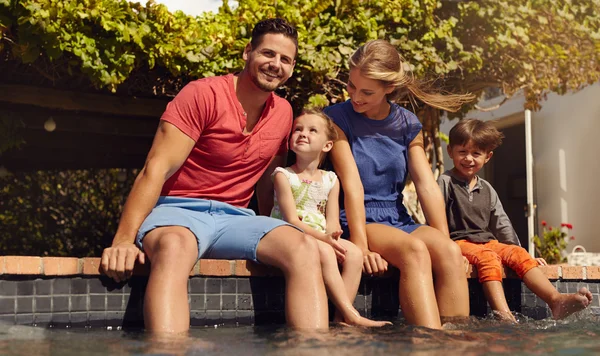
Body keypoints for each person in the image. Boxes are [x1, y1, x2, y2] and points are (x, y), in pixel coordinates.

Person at [100, 18, 330, 333]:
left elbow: (265, 181)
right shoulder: (202, 94)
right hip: (177, 211)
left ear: (291, 68)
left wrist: (274, 230)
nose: (276, 64)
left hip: (236, 218)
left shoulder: (284, 113)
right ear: (248, 52)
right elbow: (156, 168)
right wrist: (124, 240)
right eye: (268, 54)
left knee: (303, 248)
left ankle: (313, 351)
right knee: (174, 248)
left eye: (285, 59)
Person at [324, 39, 472, 329]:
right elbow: (352, 184)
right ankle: (429, 345)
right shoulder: (337, 117)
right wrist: (362, 246)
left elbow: (426, 186)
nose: (355, 96)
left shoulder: (407, 123)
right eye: (352, 86)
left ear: (389, 88)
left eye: (367, 92)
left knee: (451, 252)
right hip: (358, 217)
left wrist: (443, 241)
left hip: (397, 217)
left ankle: (455, 347)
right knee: (414, 251)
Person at [439, 118, 593, 321]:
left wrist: (522, 254)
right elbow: (436, 217)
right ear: (450, 152)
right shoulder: (446, 181)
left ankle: (556, 300)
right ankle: (505, 316)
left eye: (476, 153)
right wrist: (444, 251)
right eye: (462, 152)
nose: (469, 158)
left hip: (487, 242)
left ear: (487, 157)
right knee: (488, 258)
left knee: (518, 253)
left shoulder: (487, 188)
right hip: (458, 243)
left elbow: (501, 222)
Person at [270, 110, 390, 327]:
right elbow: (291, 221)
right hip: (292, 234)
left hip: (320, 235)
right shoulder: (283, 175)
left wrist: (332, 236)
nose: (303, 134)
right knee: (325, 251)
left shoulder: (330, 179)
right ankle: (351, 313)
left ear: (327, 145)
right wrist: (325, 241)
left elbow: (332, 219)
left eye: (312, 130)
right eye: (298, 129)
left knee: (352, 252)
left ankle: (340, 319)